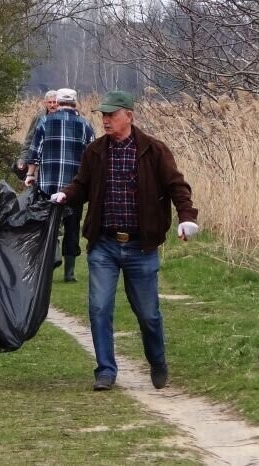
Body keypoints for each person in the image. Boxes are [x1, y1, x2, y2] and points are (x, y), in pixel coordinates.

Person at [50, 90, 199, 391]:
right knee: (99, 307)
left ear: (128, 116)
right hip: (103, 244)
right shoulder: (95, 151)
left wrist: (187, 217)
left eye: (111, 115)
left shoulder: (154, 151)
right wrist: (65, 194)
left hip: (140, 246)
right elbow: (82, 185)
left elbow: (177, 186)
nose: (105, 120)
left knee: (148, 313)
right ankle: (105, 370)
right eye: (103, 116)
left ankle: (157, 361)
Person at [24, 88, 95, 282]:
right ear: (74, 102)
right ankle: (70, 273)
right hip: (75, 187)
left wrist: (30, 175)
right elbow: (92, 156)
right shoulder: (85, 125)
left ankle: (51, 258)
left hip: (48, 184)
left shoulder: (45, 122)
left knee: (49, 223)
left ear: (59, 102)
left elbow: (34, 152)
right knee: (72, 228)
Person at [13, 90, 58, 180]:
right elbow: (29, 139)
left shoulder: (64, 117)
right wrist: (23, 158)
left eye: (54, 102)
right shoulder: (39, 117)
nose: (52, 105)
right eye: (50, 102)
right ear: (45, 103)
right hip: (39, 161)